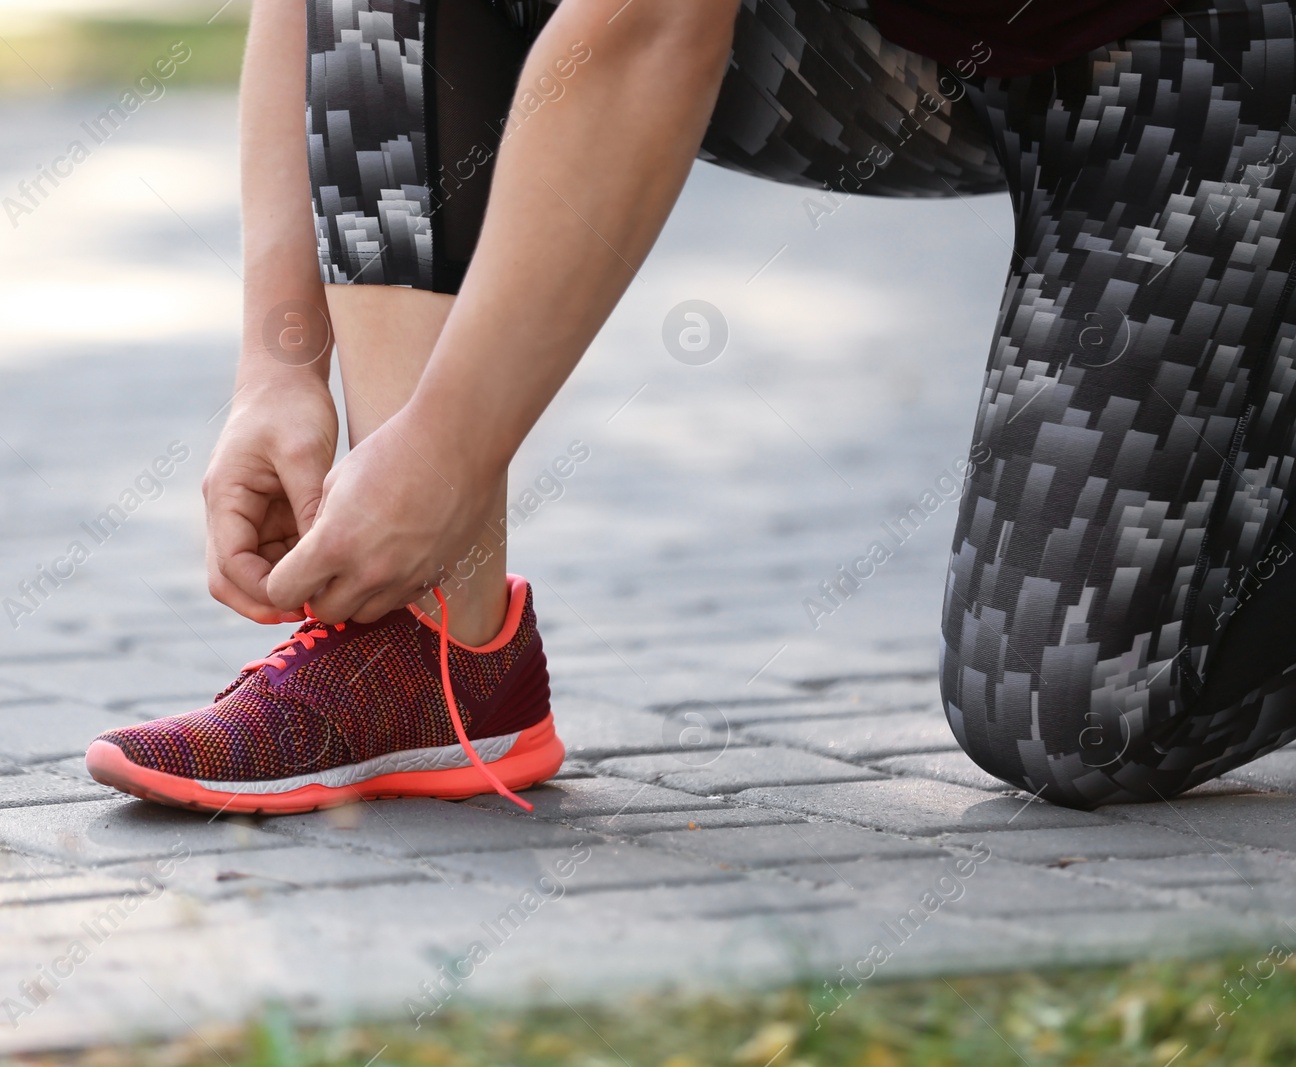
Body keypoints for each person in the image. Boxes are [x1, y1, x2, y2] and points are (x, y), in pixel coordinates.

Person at [86, 0, 1296, 814]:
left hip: (1197, 55)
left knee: (1078, 711)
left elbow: (649, 24)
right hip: (910, 44)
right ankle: (432, 645)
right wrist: (277, 369)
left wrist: (448, 445)